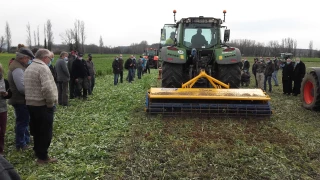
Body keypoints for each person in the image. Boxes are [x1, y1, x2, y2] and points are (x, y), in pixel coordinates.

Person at [24, 48, 58, 164]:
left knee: (36, 130)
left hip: (31, 103)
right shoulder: (43, 68)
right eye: (50, 58)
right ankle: (43, 157)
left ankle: (37, 151)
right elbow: (47, 88)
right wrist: (50, 103)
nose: (50, 60)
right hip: (42, 104)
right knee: (45, 131)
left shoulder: (30, 67)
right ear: (44, 58)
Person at [8, 47, 34, 151]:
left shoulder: (19, 66)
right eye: (27, 58)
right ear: (23, 58)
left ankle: (25, 140)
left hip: (21, 100)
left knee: (24, 121)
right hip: (19, 100)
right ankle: (21, 144)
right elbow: (21, 88)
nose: (28, 60)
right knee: (22, 122)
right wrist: (32, 93)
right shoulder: (17, 69)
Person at [0, 64, 12, 156]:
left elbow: (10, 94)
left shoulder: (5, 82)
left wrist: (6, 94)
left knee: (2, 130)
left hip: (2, 108)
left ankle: (1, 150)